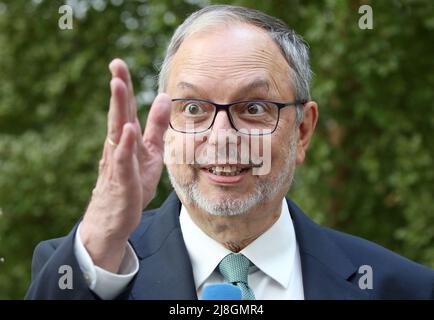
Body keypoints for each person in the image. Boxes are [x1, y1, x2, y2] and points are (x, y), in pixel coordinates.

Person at [26, 5, 434, 300]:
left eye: (253, 108)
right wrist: (102, 235)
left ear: (303, 131)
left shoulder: (401, 287)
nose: (222, 136)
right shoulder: (90, 268)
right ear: (165, 126)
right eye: (194, 109)